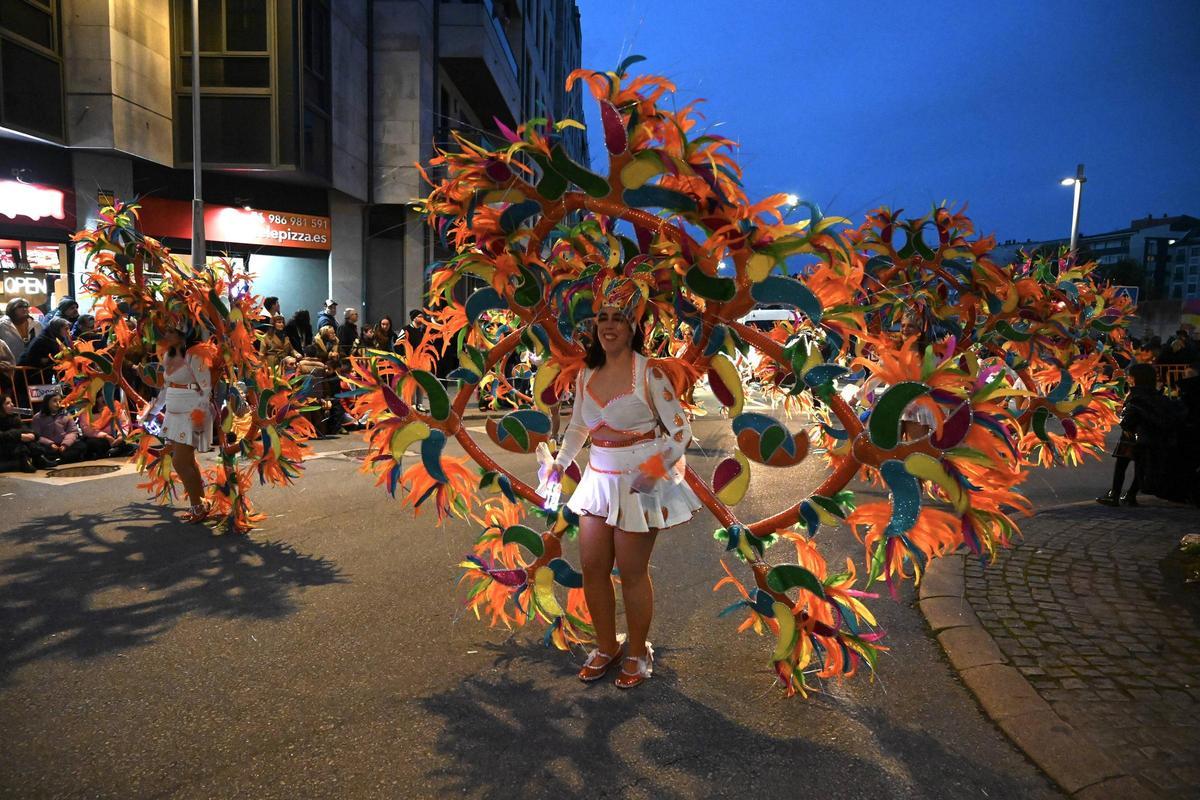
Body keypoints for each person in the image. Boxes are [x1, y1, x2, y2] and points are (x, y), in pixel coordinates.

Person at [540, 279, 700, 689]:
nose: (609, 326)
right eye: (603, 319)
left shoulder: (651, 374)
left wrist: (654, 468)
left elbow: (680, 432)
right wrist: (559, 465)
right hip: (598, 479)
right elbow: (577, 426)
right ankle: (607, 645)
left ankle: (638, 649)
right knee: (593, 568)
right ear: (595, 326)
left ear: (633, 328)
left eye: (619, 319)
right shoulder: (585, 374)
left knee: (631, 571)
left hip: (638, 483)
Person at [145, 326, 215, 523]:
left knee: (180, 462)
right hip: (174, 412)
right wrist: (153, 412)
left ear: (184, 334)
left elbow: (206, 387)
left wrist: (199, 415)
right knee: (188, 461)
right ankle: (201, 504)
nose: (165, 334)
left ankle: (198, 507)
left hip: (191, 411)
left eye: (171, 331)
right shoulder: (169, 355)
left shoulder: (196, 355)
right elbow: (165, 389)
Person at [1097, 363, 1162, 507]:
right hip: (1147, 435)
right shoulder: (1155, 393)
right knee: (1141, 466)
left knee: (1121, 465)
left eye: (1130, 376)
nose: (1128, 378)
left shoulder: (1135, 394)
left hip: (1130, 435)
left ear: (1136, 378)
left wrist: (1123, 420)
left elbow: (1128, 416)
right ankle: (1131, 495)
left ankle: (1115, 494)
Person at [0, 395, 58, 471]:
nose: (12, 405)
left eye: (11, 402)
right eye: (7, 403)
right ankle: (26, 462)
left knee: (28, 439)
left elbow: (26, 429)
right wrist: (19, 435)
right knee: (18, 442)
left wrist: (32, 435)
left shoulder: (13, 418)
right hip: (3, 449)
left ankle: (39, 459)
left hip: (12, 448)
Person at [31, 393, 88, 463]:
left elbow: (73, 431)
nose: (58, 403)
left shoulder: (66, 414)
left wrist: (65, 444)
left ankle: (58, 459)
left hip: (64, 444)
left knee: (81, 446)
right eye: (54, 401)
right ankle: (59, 459)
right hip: (48, 446)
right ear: (47, 402)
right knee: (37, 449)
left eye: (60, 401)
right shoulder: (37, 417)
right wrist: (50, 444)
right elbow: (37, 435)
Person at [18, 317, 72, 383]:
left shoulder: (61, 339)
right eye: (66, 329)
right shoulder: (41, 340)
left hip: (44, 376)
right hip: (30, 377)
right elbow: (32, 358)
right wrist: (49, 360)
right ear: (56, 329)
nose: (68, 331)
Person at [0, 297, 42, 362]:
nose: (25, 309)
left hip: (33, 367)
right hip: (9, 368)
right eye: (20, 307)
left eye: (26, 307)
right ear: (11, 310)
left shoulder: (36, 325)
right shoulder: (2, 326)